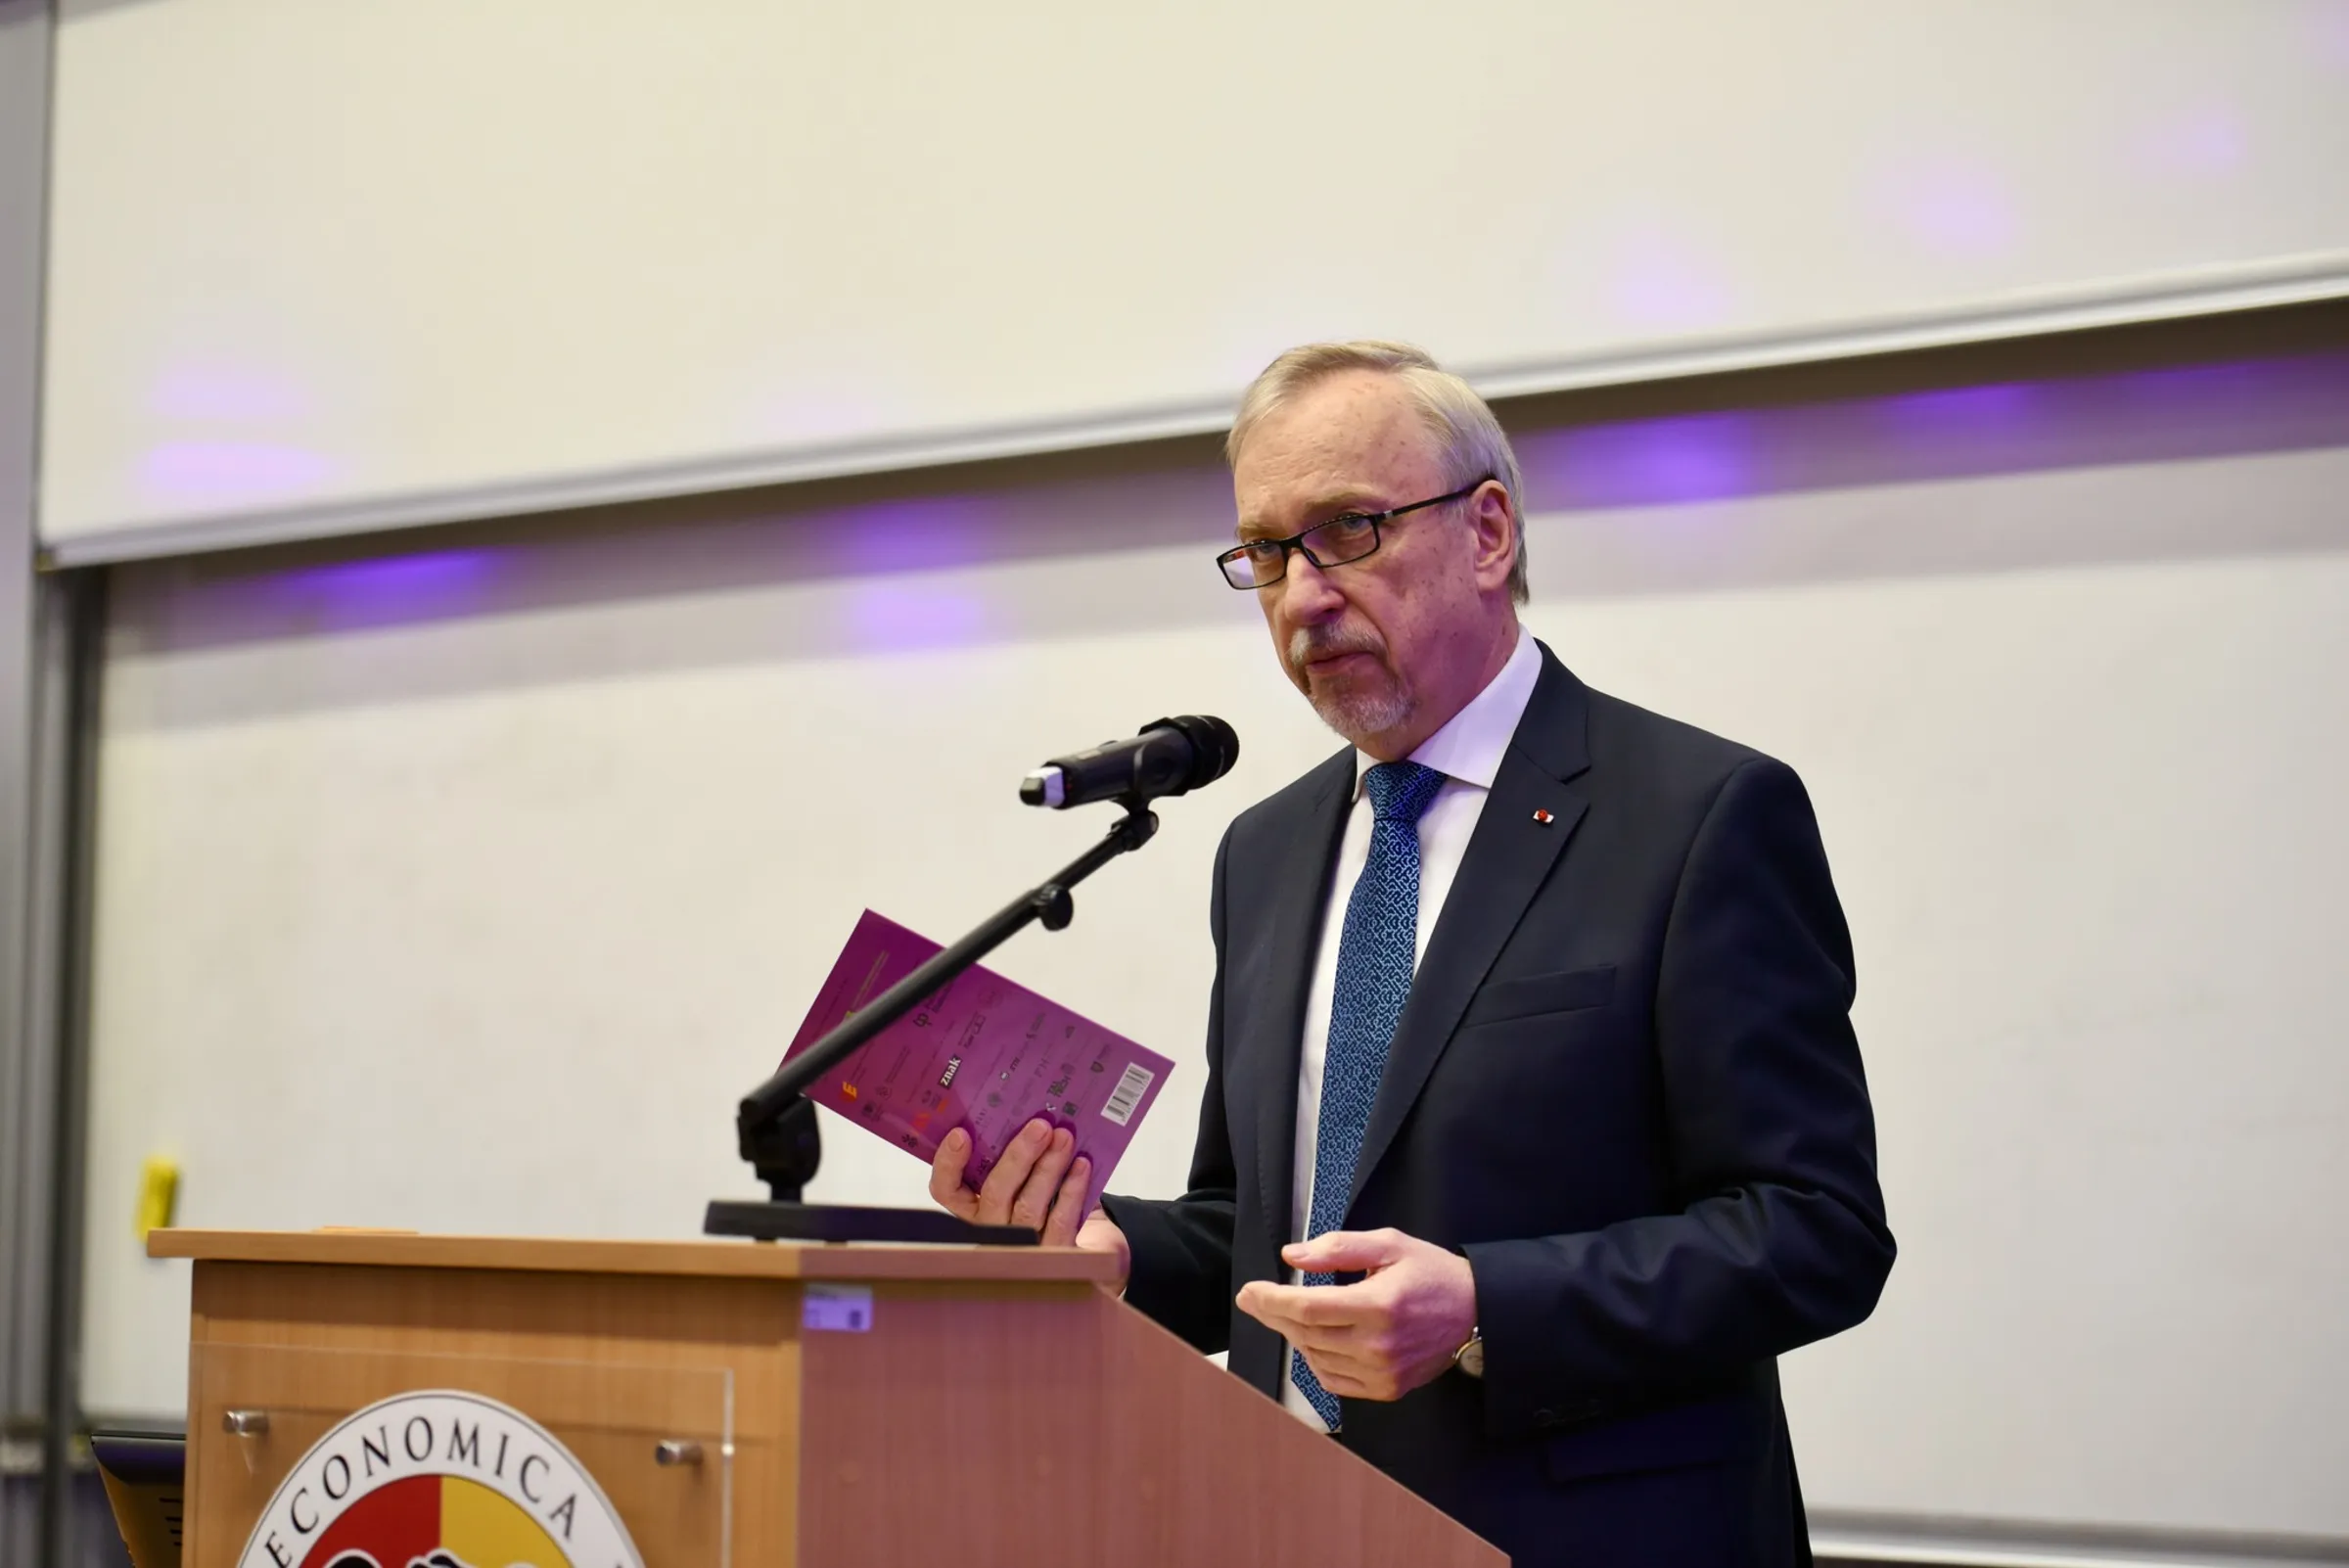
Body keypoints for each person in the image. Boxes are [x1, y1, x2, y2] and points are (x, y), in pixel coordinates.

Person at [930, 340, 1895, 1567]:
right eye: (1266, 552)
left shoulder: (1698, 816)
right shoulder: (1266, 850)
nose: (1302, 597)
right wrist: (1115, 1253)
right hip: (1288, 1526)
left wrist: (1487, 1310)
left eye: (1349, 530)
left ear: (1487, 533)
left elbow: (1814, 1230)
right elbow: (1263, 1223)